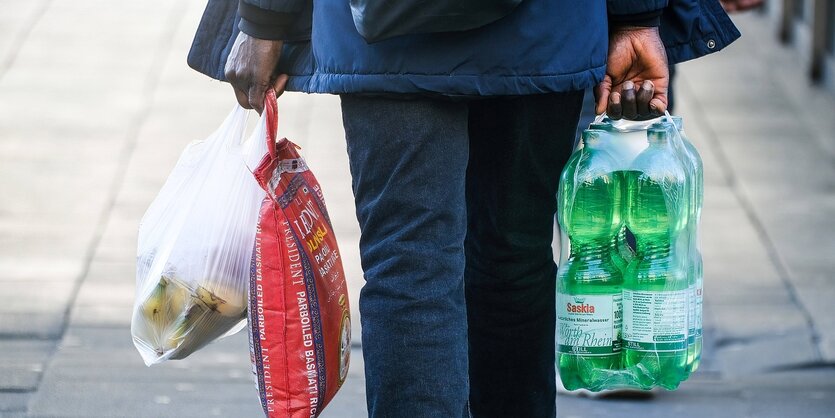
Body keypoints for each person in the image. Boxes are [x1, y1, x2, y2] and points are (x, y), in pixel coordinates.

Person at [188, 1, 739, 416]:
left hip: (390, 33)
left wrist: (264, 18)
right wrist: (634, 15)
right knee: (514, 261)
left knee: (410, 265)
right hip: (547, 25)